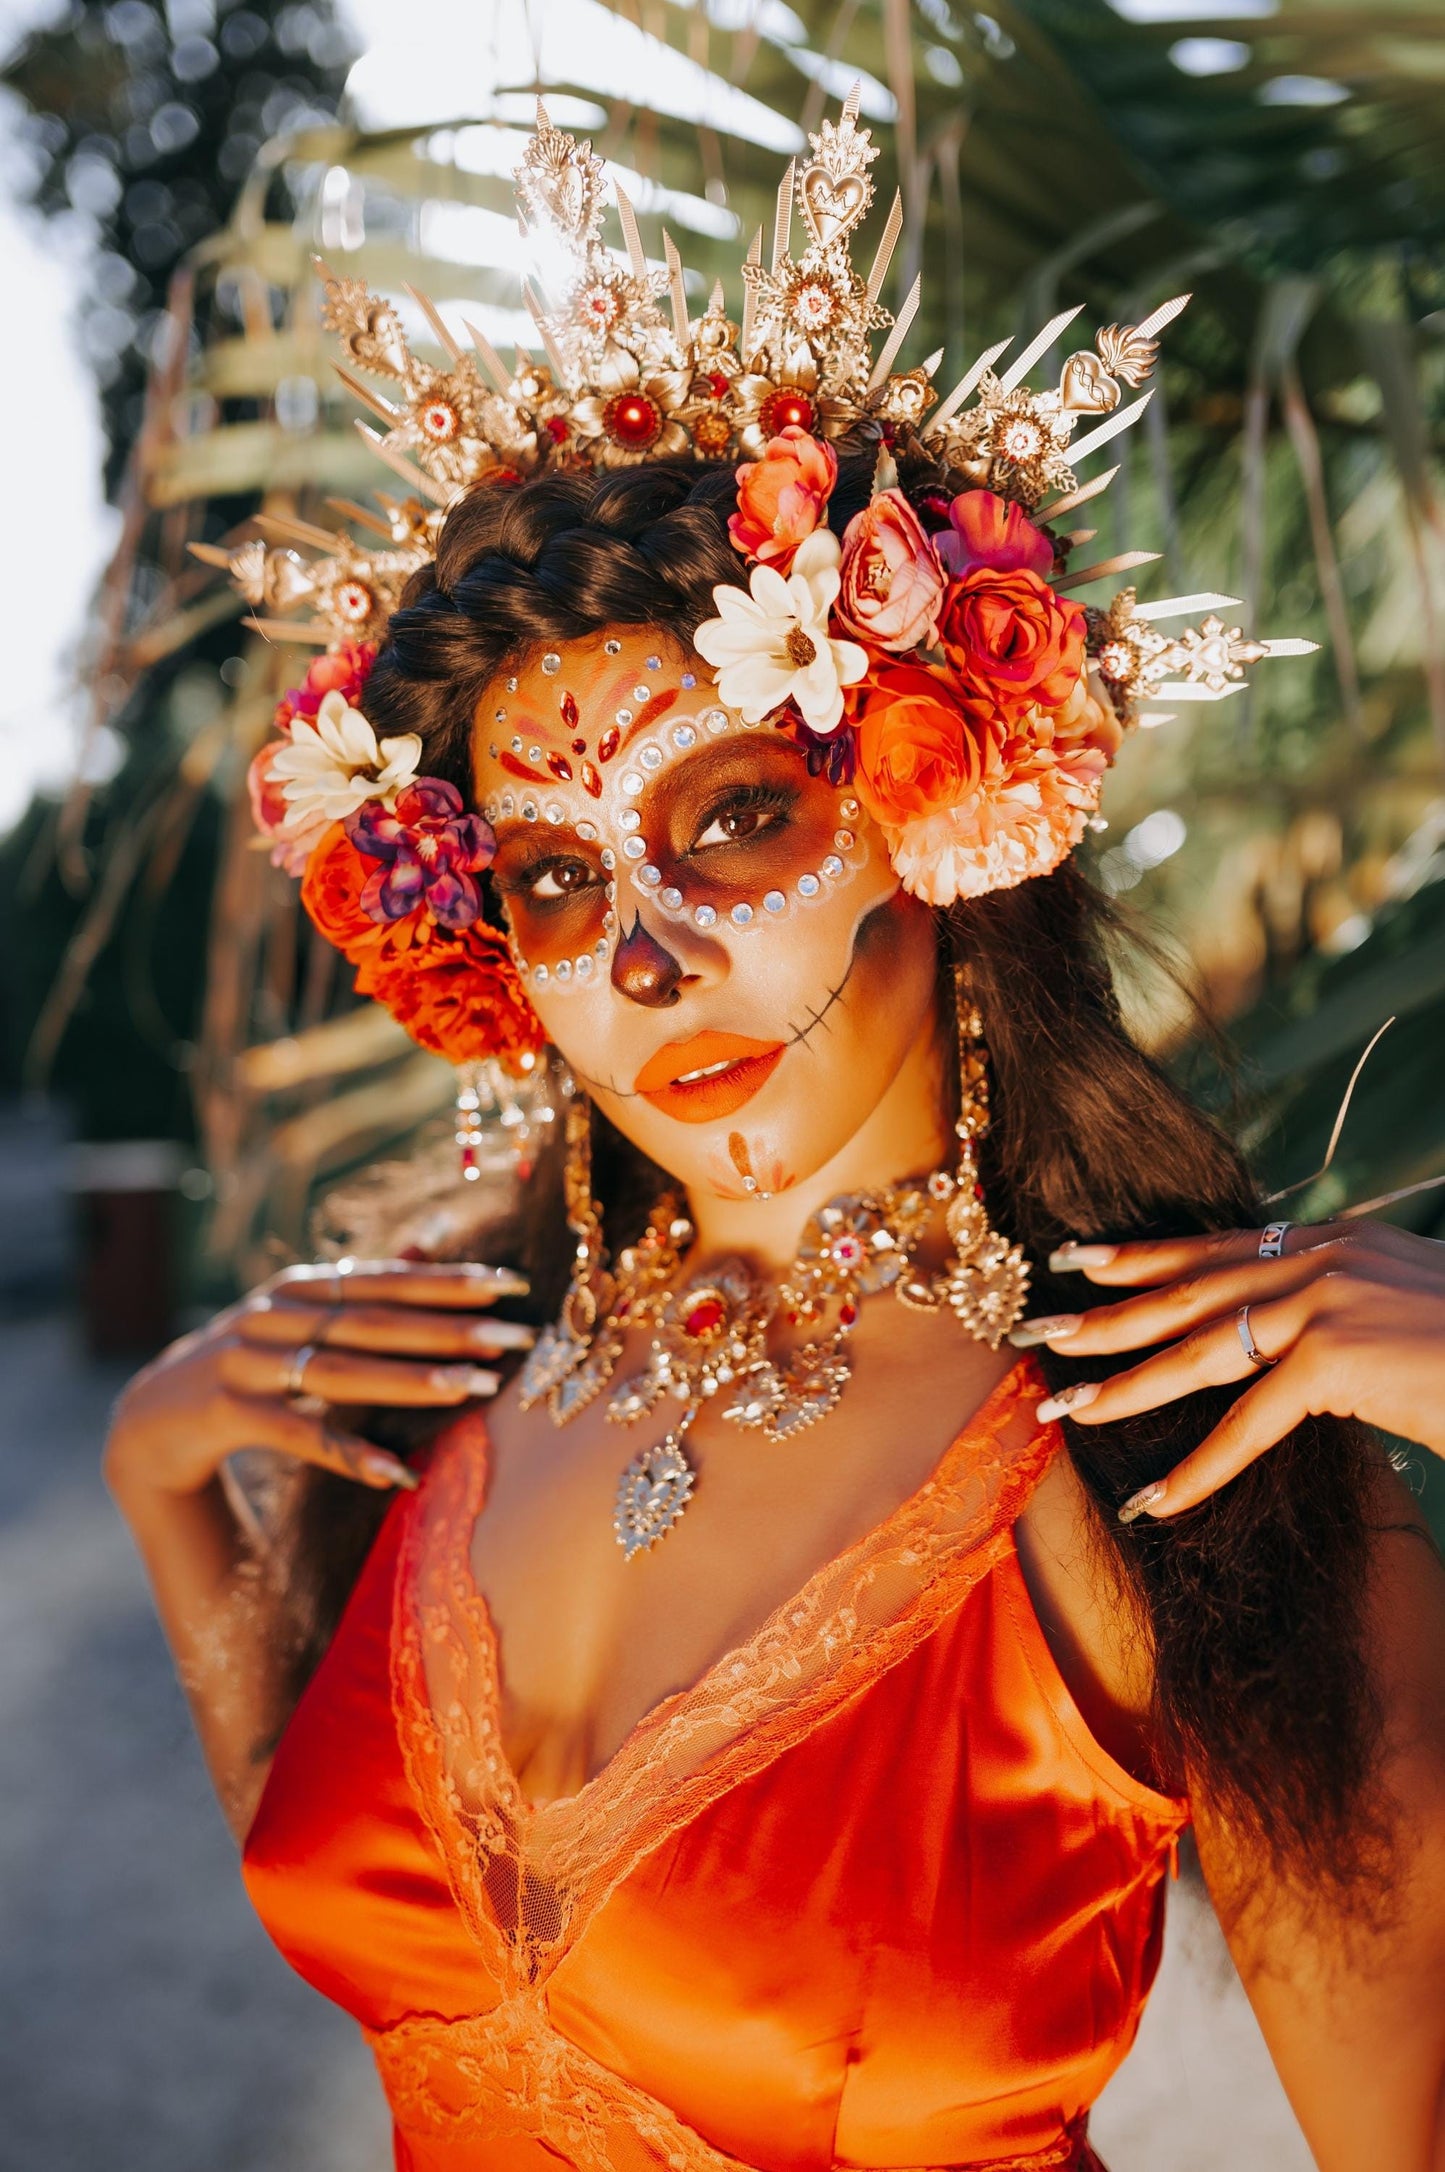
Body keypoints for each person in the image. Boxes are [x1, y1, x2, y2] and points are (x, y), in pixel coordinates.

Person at [105, 101, 1445, 2172]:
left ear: (939, 817)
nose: (637, 960)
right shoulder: (468, 1373)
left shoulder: (1168, 1433)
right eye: (550, 882)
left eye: (734, 820)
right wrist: (163, 1472)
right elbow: (405, 1941)